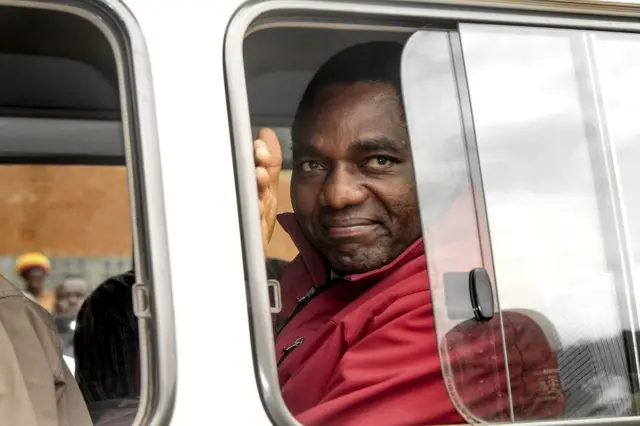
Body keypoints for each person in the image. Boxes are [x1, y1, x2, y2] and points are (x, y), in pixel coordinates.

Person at [254, 41, 564, 425]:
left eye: (378, 161)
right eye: (313, 164)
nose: (337, 195)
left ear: (445, 170)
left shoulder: (457, 320)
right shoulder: (329, 272)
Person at [0, 273, 93, 425]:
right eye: (65, 296)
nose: (72, 301)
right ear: (55, 302)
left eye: (79, 295)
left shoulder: (95, 334)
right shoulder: (42, 327)